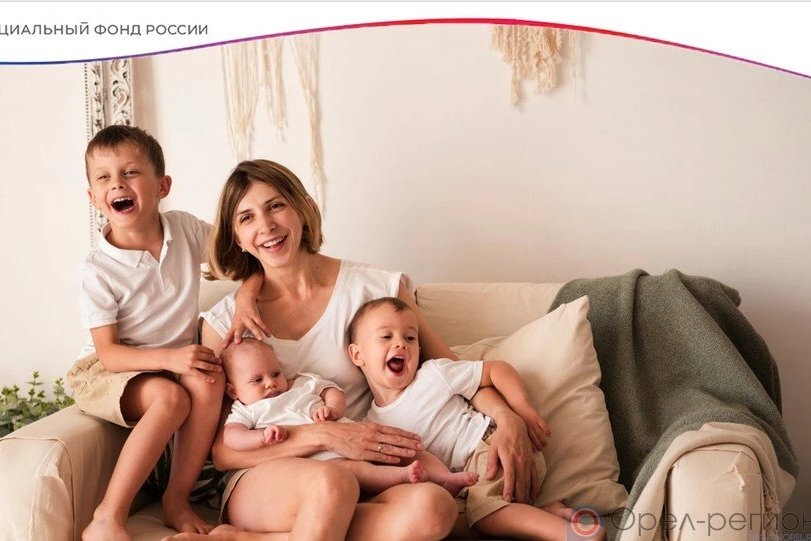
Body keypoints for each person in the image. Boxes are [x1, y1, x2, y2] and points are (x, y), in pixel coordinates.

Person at [163, 158, 541, 541]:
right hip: (267, 478)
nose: (266, 225)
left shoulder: (376, 290)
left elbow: (453, 374)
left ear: (303, 208)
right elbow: (225, 453)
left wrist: (508, 419)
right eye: (246, 218)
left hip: (365, 468)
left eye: (276, 206)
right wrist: (324, 436)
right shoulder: (225, 324)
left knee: (434, 509)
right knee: (331, 482)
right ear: (237, 238)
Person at [65, 125, 224, 541]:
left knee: (209, 378)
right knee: (171, 398)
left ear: (162, 186)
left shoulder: (185, 230)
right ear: (94, 198)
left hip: (169, 365)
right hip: (109, 370)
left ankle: (176, 499)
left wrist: (247, 297)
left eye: (131, 172)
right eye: (104, 177)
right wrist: (171, 358)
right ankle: (107, 517)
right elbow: (109, 353)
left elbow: (243, 256)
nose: (117, 183)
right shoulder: (97, 269)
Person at [348, 296, 601, 541]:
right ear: (357, 355)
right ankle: (547, 515)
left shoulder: (433, 375)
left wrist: (522, 410)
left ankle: (573, 536)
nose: (401, 344)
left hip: (490, 448)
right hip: (466, 480)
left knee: (483, 516)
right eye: (386, 336)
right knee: (453, 522)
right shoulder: (369, 427)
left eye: (410, 338)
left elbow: (496, 370)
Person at [221, 337, 478, 495]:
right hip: (322, 463)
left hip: (357, 439)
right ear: (234, 391)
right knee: (355, 471)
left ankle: (446, 477)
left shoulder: (301, 383)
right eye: (257, 380)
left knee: (408, 448)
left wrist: (332, 409)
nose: (270, 383)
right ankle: (403, 477)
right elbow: (232, 438)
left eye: (275, 373)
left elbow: (333, 391)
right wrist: (261, 437)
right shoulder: (247, 410)